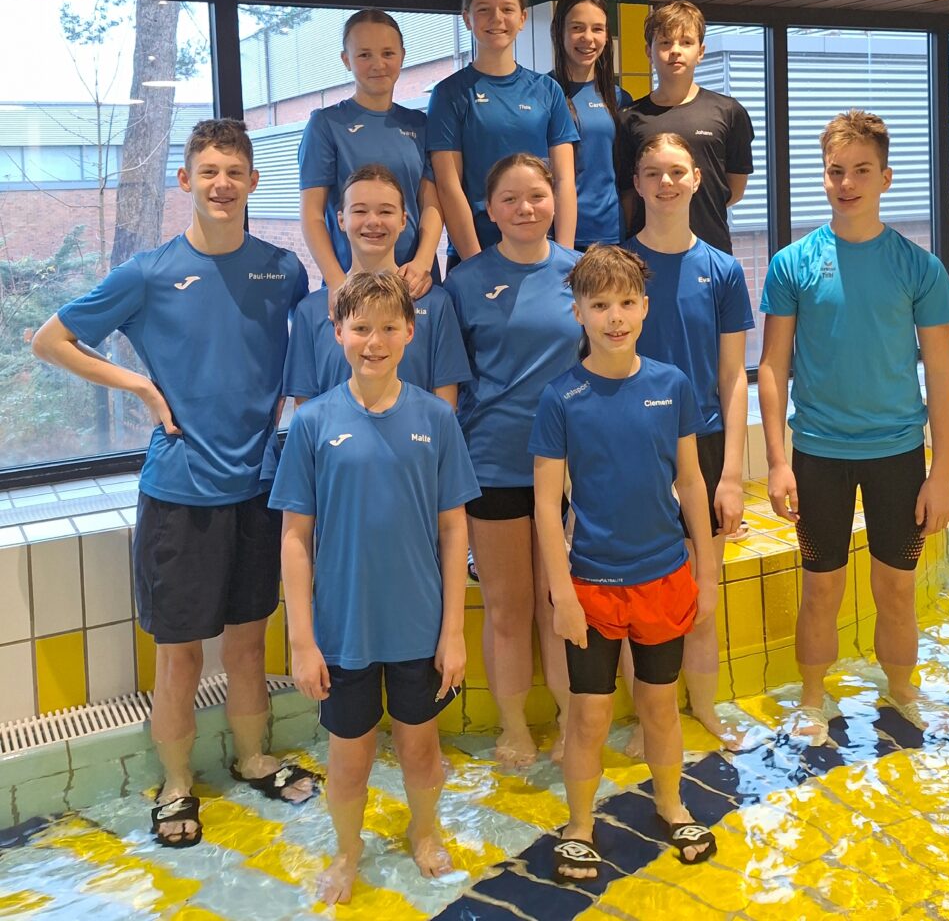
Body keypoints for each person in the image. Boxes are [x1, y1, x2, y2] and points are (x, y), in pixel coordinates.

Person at [32, 119, 314, 848]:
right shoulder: (149, 273)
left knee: (249, 646)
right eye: (208, 171)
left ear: (254, 182)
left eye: (235, 172)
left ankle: (253, 758)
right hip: (181, 492)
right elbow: (50, 339)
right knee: (180, 654)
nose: (222, 184)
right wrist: (139, 387)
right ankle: (178, 784)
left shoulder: (283, 271)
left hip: (257, 487)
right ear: (185, 181)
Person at [271, 271, 479, 905]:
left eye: (389, 327)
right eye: (360, 328)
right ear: (337, 333)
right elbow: (295, 538)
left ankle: (425, 830)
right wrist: (302, 641)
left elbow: (453, 531)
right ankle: (347, 849)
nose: (375, 341)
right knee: (348, 757)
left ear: (410, 332)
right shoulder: (313, 423)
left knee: (421, 748)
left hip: (418, 623)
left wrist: (453, 632)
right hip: (344, 627)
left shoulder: (436, 418)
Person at [758, 110, 949, 744]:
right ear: (823, 176)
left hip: (898, 453)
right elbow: (772, 366)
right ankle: (812, 698)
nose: (847, 183)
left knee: (896, 588)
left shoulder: (917, 266)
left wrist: (942, 474)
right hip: (818, 452)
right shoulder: (793, 263)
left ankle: (902, 690)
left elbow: (942, 373)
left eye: (861, 171)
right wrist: (778, 461)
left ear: (885, 178)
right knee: (821, 588)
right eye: (836, 171)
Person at [530, 245, 718, 882]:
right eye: (600, 304)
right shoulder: (561, 397)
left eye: (627, 303)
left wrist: (706, 573)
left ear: (644, 307)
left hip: (663, 576)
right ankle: (580, 824)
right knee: (589, 714)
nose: (615, 317)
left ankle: (672, 804)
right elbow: (545, 505)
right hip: (593, 583)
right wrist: (562, 594)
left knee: (660, 705)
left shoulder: (671, 385)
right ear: (578, 312)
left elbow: (690, 483)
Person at [444, 153, 580, 768]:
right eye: (510, 199)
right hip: (493, 461)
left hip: (567, 465)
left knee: (559, 600)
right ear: (489, 209)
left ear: (554, 200)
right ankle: (515, 726)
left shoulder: (579, 273)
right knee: (507, 607)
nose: (525, 208)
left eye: (536, 196)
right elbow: (450, 383)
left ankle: (571, 719)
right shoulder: (466, 282)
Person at [624, 133, 754, 751]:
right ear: (638, 183)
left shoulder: (722, 270)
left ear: (698, 180)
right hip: (632, 448)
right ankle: (644, 720)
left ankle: (705, 707)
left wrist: (732, 474)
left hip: (702, 445)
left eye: (677, 171)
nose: (666, 183)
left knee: (702, 591)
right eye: (653, 173)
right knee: (639, 597)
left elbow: (733, 377)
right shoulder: (619, 265)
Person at [284, 165, 471, 407]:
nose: (373, 221)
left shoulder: (436, 304)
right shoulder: (311, 311)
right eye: (360, 211)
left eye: (385, 211)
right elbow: (305, 412)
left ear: (403, 220)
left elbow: (445, 409)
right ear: (341, 220)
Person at [428, 0, 579, 269]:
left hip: (540, 251)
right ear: (467, 19)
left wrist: (564, 256)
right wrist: (475, 266)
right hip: (475, 250)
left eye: (507, 9)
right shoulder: (449, 94)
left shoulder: (547, 90)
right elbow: (448, 186)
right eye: (484, 10)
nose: (496, 18)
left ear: (522, 18)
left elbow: (564, 180)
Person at [299, 9, 441, 295]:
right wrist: (336, 280)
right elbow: (312, 214)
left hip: (412, 282)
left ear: (402, 56)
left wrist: (422, 263)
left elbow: (431, 204)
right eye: (364, 55)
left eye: (388, 53)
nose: (378, 64)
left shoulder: (419, 124)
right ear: (346, 60)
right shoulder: (326, 125)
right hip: (352, 283)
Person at [616, 0, 754, 255]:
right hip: (644, 252)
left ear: (701, 52)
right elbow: (627, 193)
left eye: (686, 42)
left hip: (711, 245)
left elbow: (734, 190)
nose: (675, 51)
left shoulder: (729, 112)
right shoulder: (628, 117)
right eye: (665, 42)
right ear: (648, 51)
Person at [549, 0, 633, 249]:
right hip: (555, 235)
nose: (588, 38)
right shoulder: (542, 92)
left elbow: (626, 177)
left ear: (607, 36)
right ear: (559, 32)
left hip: (611, 235)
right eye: (577, 28)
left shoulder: (618, 98)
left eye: (597, 29)